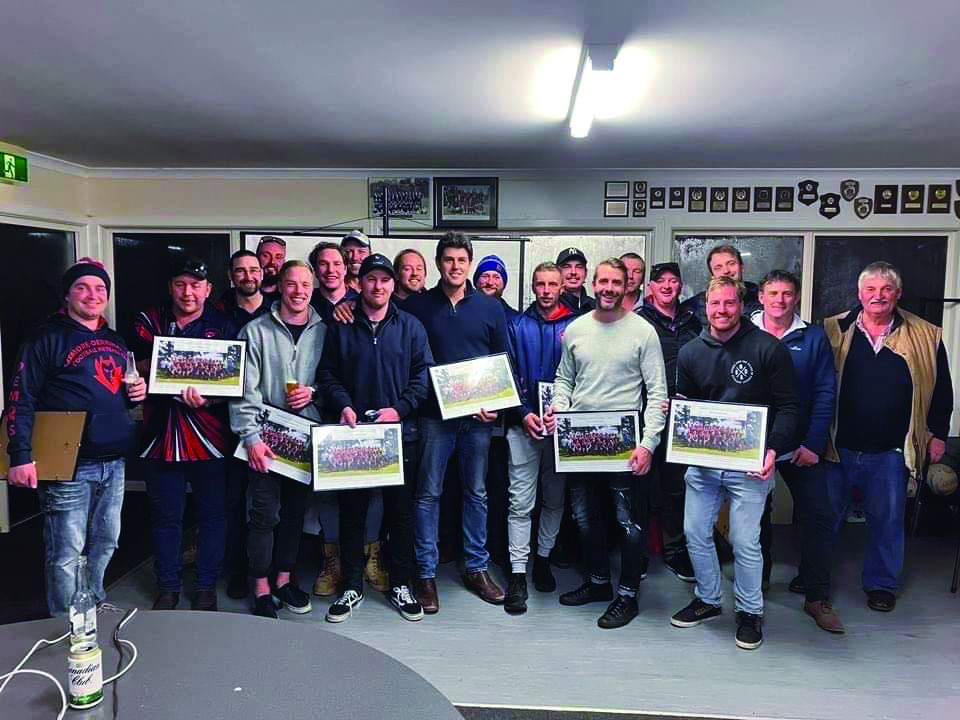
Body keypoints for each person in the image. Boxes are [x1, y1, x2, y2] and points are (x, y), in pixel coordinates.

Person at [5, 259, 147, 617]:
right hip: (67, 463)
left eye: (100, 289)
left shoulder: (113, 339)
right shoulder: (45, 338)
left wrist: (136, 393)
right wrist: (19, 455)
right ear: (68, 293)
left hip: (113, 463)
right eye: (83, 287)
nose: (92, 295)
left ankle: (93, 602)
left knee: (105, 542)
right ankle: (65, 623)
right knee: (67, 550)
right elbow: (20, 399)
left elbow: (117, 389)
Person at [670, 276, 799, 650]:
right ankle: (708, 599)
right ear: (705, 307)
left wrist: (772, 450)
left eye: (729, 303)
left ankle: (749, 611)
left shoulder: (768, 349)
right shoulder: (692, 352)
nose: (722, 311)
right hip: (705, 463)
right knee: (695, 533)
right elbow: (690, 407)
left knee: (745, 541)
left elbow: (790, 407)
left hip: (751, 463)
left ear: (741, 305)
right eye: (715, 304)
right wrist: (678, 415)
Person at [824, 261, 953, 613]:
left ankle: (881, 584)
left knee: (888, 519)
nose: (877, 296)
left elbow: (942, 390)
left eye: (886, 290)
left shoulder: (927, 335)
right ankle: (815, 577)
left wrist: (937, 434)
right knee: (824, 516)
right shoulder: (834, 329)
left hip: (892, 449)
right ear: (859, 293)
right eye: (871, 289)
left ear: (897, 294)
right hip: (840, 445)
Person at [316, 253, 433, 622]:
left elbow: (423, 376)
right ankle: (351, 586)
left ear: (392, 285)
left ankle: (400, 584)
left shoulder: (411, 327)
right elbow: (328, 374)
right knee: (353, 513)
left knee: (400, 514)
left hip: (400, 433)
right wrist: (344, 406)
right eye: (371, 279)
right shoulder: (341, 326)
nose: (378, 286)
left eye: (385, 280)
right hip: (355, 436)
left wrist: (400, 409)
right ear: (360, 284)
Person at [552, 258, 668, 629]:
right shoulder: (575, 329)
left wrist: (648, 444)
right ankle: (599, 583)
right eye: (602, 281)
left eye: (616, 282)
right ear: (593, 283)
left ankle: (628, 596)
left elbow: (657, 393)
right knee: (585, 519)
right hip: (580, 443)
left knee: (626, 523)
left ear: (626, 285)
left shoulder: (643, 332)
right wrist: (558, 409)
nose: (608, 288)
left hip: (625, 443)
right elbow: (564, 379)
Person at [403, 232, 509, 613]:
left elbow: (503, 360)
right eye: (448, 259)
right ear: (438, 263)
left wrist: (496, 404)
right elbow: (410, 361)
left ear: (469, 263)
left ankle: (476, 568)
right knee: (428, 495)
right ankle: (426, 573)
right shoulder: (417, 306)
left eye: (461, 260)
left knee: (476, 494)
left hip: (478, 420)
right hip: (434, 418)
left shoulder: (490, 308)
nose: (455, 266)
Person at [131, 257, 238, 611]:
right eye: (181, 284)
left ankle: (206, 585)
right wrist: (157, 372)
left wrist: (210, 396)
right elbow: (131, 366)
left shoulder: (225, 325)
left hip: (210, 437)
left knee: (212, 515)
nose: (188, 292)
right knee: (165, 517)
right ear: (170, 287)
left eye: (196, 285)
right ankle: (168, 586)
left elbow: (236, 380)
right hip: (160, 437)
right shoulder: (149, 322)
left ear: (208, 289)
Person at [229, 260, 324, 618]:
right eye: (292, 284)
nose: (299, 291)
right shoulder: (254, 332)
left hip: (306, 440)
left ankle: (284, 580)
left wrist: (314, 393)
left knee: (295, 515)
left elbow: (334, 381)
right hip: (264, 441)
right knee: (263, 514)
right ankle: (261, 587)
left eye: (305, 284)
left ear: (312, 288)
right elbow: (243, 390)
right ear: (279, 287)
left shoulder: (327, 330)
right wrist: (251, 438)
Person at [749, 269, 842, 633]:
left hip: (800, 446)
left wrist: (813, 443)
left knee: (818, 515)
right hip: (754, 446)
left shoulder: (813, 338)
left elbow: (824, 392)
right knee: (756, 517)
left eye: (787, 293)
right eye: (773, 293)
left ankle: (816, 596)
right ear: (761, 296)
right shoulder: (744, 332)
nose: (780, 300)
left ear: (796, 297)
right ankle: (757, 583)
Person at [502, 262, 578, 614]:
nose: (546, 291)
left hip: (562, 428)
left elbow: (585, 377)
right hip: (524, 425)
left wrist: (564, 414)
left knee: (554, 497)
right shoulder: (516, 325)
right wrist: (523, 414)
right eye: (540, 284)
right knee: (520, 501)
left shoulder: (579, 326)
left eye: (552, 284)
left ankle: (543, 558)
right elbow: (507, 374)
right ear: (532, 286)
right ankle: (518, 572)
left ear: (562, 286)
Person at [636, 262, 702, 582]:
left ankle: (675, 550)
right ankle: (640, 553)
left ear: (680, 287)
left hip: (684, 418)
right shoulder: (637, 321)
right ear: (650, 287)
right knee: (644, 485)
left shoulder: (694, 322)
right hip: (646, 414)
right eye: (660, 281)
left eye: (673, 281)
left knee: (678, 487)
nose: (666, 286)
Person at [215, 249, 271, 599]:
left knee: (267, 506)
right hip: (225, 423)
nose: (248, 276)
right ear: (231, 276)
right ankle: (238, 570)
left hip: (274, 425)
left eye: (254, 270)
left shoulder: (278, 310)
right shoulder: (217, 314)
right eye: (241, 271)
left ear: (263, 274)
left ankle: (268, 572)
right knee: (233, 502)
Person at [680, 244, 761, 326]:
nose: (726, 271)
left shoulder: (760, 298)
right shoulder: (695, 306)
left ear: (741, 267)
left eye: (731, 264)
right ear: (712, 275)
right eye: (718, 268)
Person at [309, 241, 358, 325]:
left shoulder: (359, 302)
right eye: (323, 264)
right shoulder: (307, 302)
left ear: (345, 269)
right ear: (315, 271)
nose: (330, 270)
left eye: (337, 264)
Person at [473, 254, 518, 319]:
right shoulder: (463, 313)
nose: (490, 282)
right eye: (485, 276)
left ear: (504, 284)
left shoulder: (516, 321)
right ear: (476, 282)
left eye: (496, 277)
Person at [556, 247, 595, 315]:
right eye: (567, 267)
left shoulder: (596, 308)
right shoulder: (550, 307)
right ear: (557, 272)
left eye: (579, 267)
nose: (573, 272)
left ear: (586, 273)